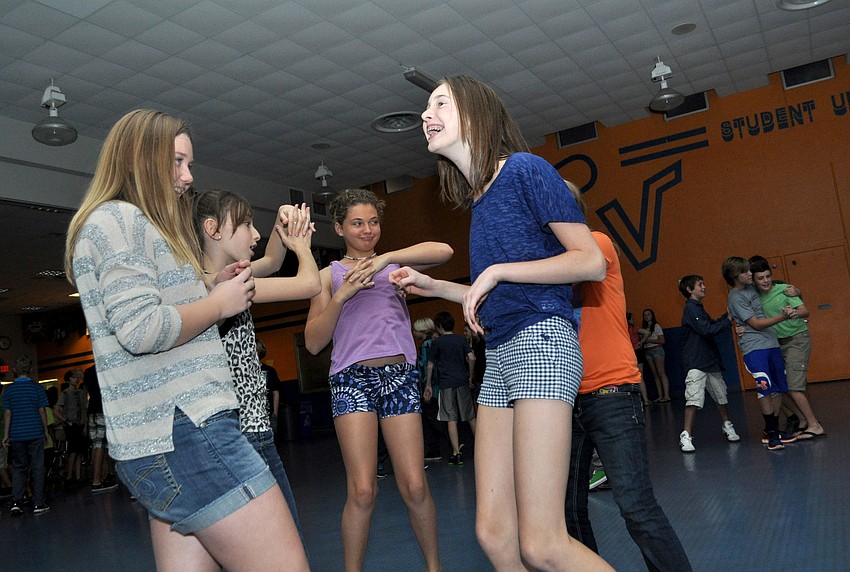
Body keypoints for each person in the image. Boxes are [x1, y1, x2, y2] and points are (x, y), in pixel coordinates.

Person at [65, 109, 308, 571]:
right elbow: (142, 329)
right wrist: (219, 304)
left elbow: (153, 311)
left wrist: (209, 286)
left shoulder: (138, 226)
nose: (187, 177)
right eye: (177, 162)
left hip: (163, 439)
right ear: (140, 161)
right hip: (185, 429)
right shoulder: (118, 220)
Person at [390, 75, 611, 571]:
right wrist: (439, 288)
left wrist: (496, 270)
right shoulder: (480, 199)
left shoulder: (526, 171)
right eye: (426, 107)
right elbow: (499, 294)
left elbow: (589, 262)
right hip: (500, 357)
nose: (426, 115)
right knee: (493, 535)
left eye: (440, 103)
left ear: (475, 112)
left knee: (543, 543)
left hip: (542, 343)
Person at [304, 187, 452, 572]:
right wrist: (342, 295)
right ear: (338, 228)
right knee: (363, 491)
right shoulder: (327, 276)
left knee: (415, 485)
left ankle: (434, 567)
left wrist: (386, 258)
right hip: (352, 381)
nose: (367, 230)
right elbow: (314, 342)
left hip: (399, 377)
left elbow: (445, 251)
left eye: (373, 222)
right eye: (357, 223)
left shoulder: (395, 267)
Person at [563, 187, 691, 570]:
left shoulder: (595, 242)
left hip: (611, 393)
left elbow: (581, 268)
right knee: (566, 510)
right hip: (564, 399)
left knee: (636, 507)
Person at [193, 188, 320, 541]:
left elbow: (272, 262)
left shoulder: (208, 278)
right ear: (214, 229)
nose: (256, 234)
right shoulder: (227, 286)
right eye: (246, 224)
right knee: (283, 541)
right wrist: (301, 245)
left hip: (245, 430)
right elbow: (309, 283)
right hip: (245, 433)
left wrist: (282, 223)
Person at [722, 256, 797, 451]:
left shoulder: (751, 287)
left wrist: (797, 291)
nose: (751, 274)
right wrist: (783, 316)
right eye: (746, 272)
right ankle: (772, 435)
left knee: (779, 387)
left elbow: (775, 284)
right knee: (764, 387)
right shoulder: (735, 297)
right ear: (735, 276)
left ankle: (770, 429)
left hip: (771, 343)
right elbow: (755, 323)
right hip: (754, 347)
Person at [750, 260, 825, 439]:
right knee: (776, 388)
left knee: (794, 387)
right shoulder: (753, 297)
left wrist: (794, 312)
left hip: (797, 340)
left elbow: (804, 311)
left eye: (768, 276)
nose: (766, 281)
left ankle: (815, 425)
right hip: (776, 345)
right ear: (753, 281)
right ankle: (801, 420)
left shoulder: (783, 289)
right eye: (761, 278)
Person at [677, 275, 741, 452]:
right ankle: (686, 436)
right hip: (696, 362)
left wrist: (725, 317)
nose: (704, 287)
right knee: (693, 399)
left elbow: (710, 324)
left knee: (721, 395)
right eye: (700, 285)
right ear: (690, 290)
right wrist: (727, 321)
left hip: (709, 361)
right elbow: (706, 330)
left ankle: (727, 425)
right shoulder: (691, 309)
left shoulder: (698, 308)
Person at [2, 355, 51, 516]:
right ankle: (38, 503)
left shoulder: (8, 390)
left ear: (15, 370)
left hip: (16, 434)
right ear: (30, 370)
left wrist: (6, 434)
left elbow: (8, 414)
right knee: (37, 468)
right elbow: (42, 411)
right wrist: (45, 430)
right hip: (35, 432)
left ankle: (16, 501)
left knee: (18, 468)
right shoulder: (37, 389)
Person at [427, 311, 476, 466]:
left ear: (440, 326)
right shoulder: (461, 339)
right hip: (462, 380)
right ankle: (480, 448)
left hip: (446, 383)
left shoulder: (437, 343)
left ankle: (456, 453)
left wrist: (428, 384)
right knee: (470, 416)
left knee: (451, 418)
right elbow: (472, 357)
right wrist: (470, 376)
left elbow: (430, 364)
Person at [83, 365, 118, 492]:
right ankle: (97, 480)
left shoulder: (88, 371)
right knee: (100, 445)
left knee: (94, 445)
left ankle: (97, 477)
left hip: (91, 409)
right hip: (102, 408)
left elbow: (86, 391)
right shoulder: (104, 368)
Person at [413, 317, 444, 461]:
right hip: (439, 386)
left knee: (430, 418)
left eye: (416, 330)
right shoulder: (436, 343)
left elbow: (427, 367)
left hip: (429, 388)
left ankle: (435, 449)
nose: (413, 333)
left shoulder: (426, 346)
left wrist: (427, 387)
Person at [55, 368, 86, 487]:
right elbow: (57, 410)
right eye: (73, 377)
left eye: (77, 377)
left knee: (78, 451)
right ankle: (70, 476)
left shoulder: (80, 393)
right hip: (71, 425)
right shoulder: (65, 393)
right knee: (73, 450)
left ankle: (76, 476)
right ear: (69, 379)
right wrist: (66, 420)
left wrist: (85, 425)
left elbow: (84, 410)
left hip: (78, 424)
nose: (76, 379)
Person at [640, 309, 670, 402]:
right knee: (655, 374)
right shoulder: (644, 328)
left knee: (661, 372)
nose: (646, 316)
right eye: (645, 315)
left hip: (657, 350)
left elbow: (662, 340)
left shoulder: (656, 326)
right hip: (648, 351)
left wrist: (648, 340)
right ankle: (660, 396)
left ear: (652, 315)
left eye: (648, 314)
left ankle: (666, 395)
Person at [256, 338, 282, 438]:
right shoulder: (245, 371)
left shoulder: (269, 370)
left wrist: (274, 413)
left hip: (268, 413)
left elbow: (276, 392)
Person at [627, 312, 651, 406]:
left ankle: (637, 400)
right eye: (632, 318)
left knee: (631, 377)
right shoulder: (634, 328)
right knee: (641, 377)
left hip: (629, 353)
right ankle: (646, 400)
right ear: (629, 320)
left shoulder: (623, 329)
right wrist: (641, 342)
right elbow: (647, 333)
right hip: (638, 352)